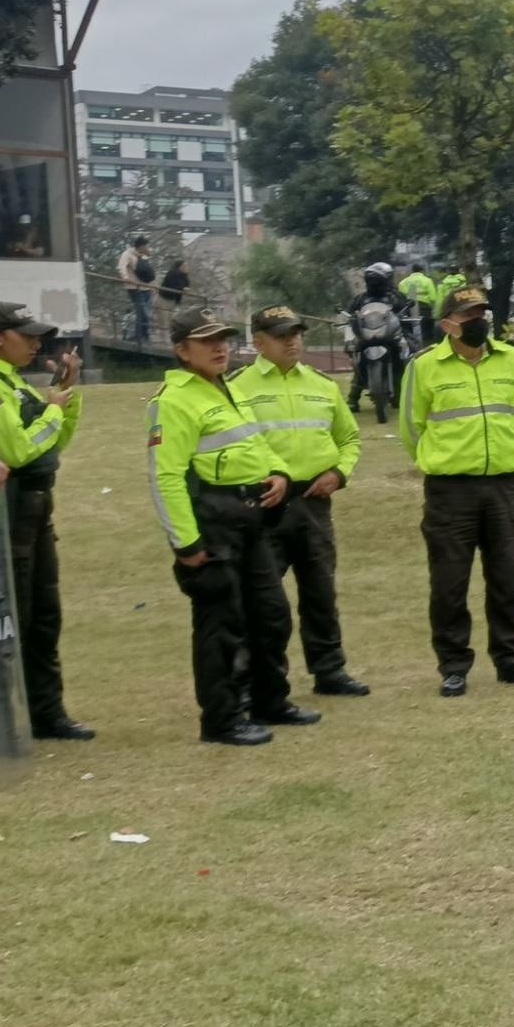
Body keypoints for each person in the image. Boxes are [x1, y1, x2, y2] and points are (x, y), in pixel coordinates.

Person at [147, 306, 317, 747]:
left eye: (222, 338)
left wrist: (279, 473)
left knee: (271, 615)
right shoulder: (174, 400)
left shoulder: (225, 388)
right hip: (213, 522)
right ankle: (222, 719)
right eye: (206, 341)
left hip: (251, 518)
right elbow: (166, 476)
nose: (219, 347)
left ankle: (269, 700)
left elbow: (256, 444)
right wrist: (187, 545)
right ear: (182, 350)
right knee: (221, 626)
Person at [0, 303, 92, 739]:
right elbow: (16, 452)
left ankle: (46, 713)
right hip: (4, 512)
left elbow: (52, 446)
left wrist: (65, 395)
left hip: (35, 509)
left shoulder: (15, 383)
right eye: (26, 335)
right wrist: (52, 409)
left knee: (44, 617)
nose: (36, 343)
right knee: (5, 621)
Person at [401, 285, 514, 696]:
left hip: (502, 486)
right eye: (468, 315)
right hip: (450, 491)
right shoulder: (424, 366)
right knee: (449, 583)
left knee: (507, 578)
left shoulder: (512, 359)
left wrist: (498, 452)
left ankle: (512, 659)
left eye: (482, 313)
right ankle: (453, 665)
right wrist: (445, 459)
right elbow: (412, 428)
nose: (478, 321)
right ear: (448, 324)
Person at [228, 306, 369, 696]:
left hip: (314, 502)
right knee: (261, 599)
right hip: (265, 504)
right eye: (281, 335)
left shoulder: (322, 384)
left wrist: (339, 473)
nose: (291, 342)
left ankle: (329, 670)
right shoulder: (237, 387)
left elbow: (349, 438)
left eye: (296, 333)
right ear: (258, 342)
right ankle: (257, 680)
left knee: (320, 590)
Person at [346, 262, 403, 413]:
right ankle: (353, 398)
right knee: (360, 363)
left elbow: (405, 311)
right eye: (372, 281)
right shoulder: (361, 299)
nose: (375, 284)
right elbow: (349, 314)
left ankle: (399, 393)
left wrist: (404, 316)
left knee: (402, 358)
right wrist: (349, 321)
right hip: (367, 335)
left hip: (389, 335)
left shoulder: (395, 297)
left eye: (377, 280)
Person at [118, 235, 155, 341]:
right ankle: (140, 337)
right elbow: (121, 266)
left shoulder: (144, 256)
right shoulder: (127, 254)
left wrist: (152, 285)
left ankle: (143, 337)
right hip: (135, 288)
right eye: (146, 246)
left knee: (145, 314)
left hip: (146, 289)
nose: (148, 248)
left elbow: (148, 272)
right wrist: (125, 277)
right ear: (141, 246)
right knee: (143, 313)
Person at [398, 264, 438, 346]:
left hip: (409, 308)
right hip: (424, 308)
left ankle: (413, 346)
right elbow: (433, 297)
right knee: (427, 329)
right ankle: (427, 345)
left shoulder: (403, 282)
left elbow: (401, 297)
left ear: (412, 271)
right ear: (422, 270)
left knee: (410, 329)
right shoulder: (427, 280)